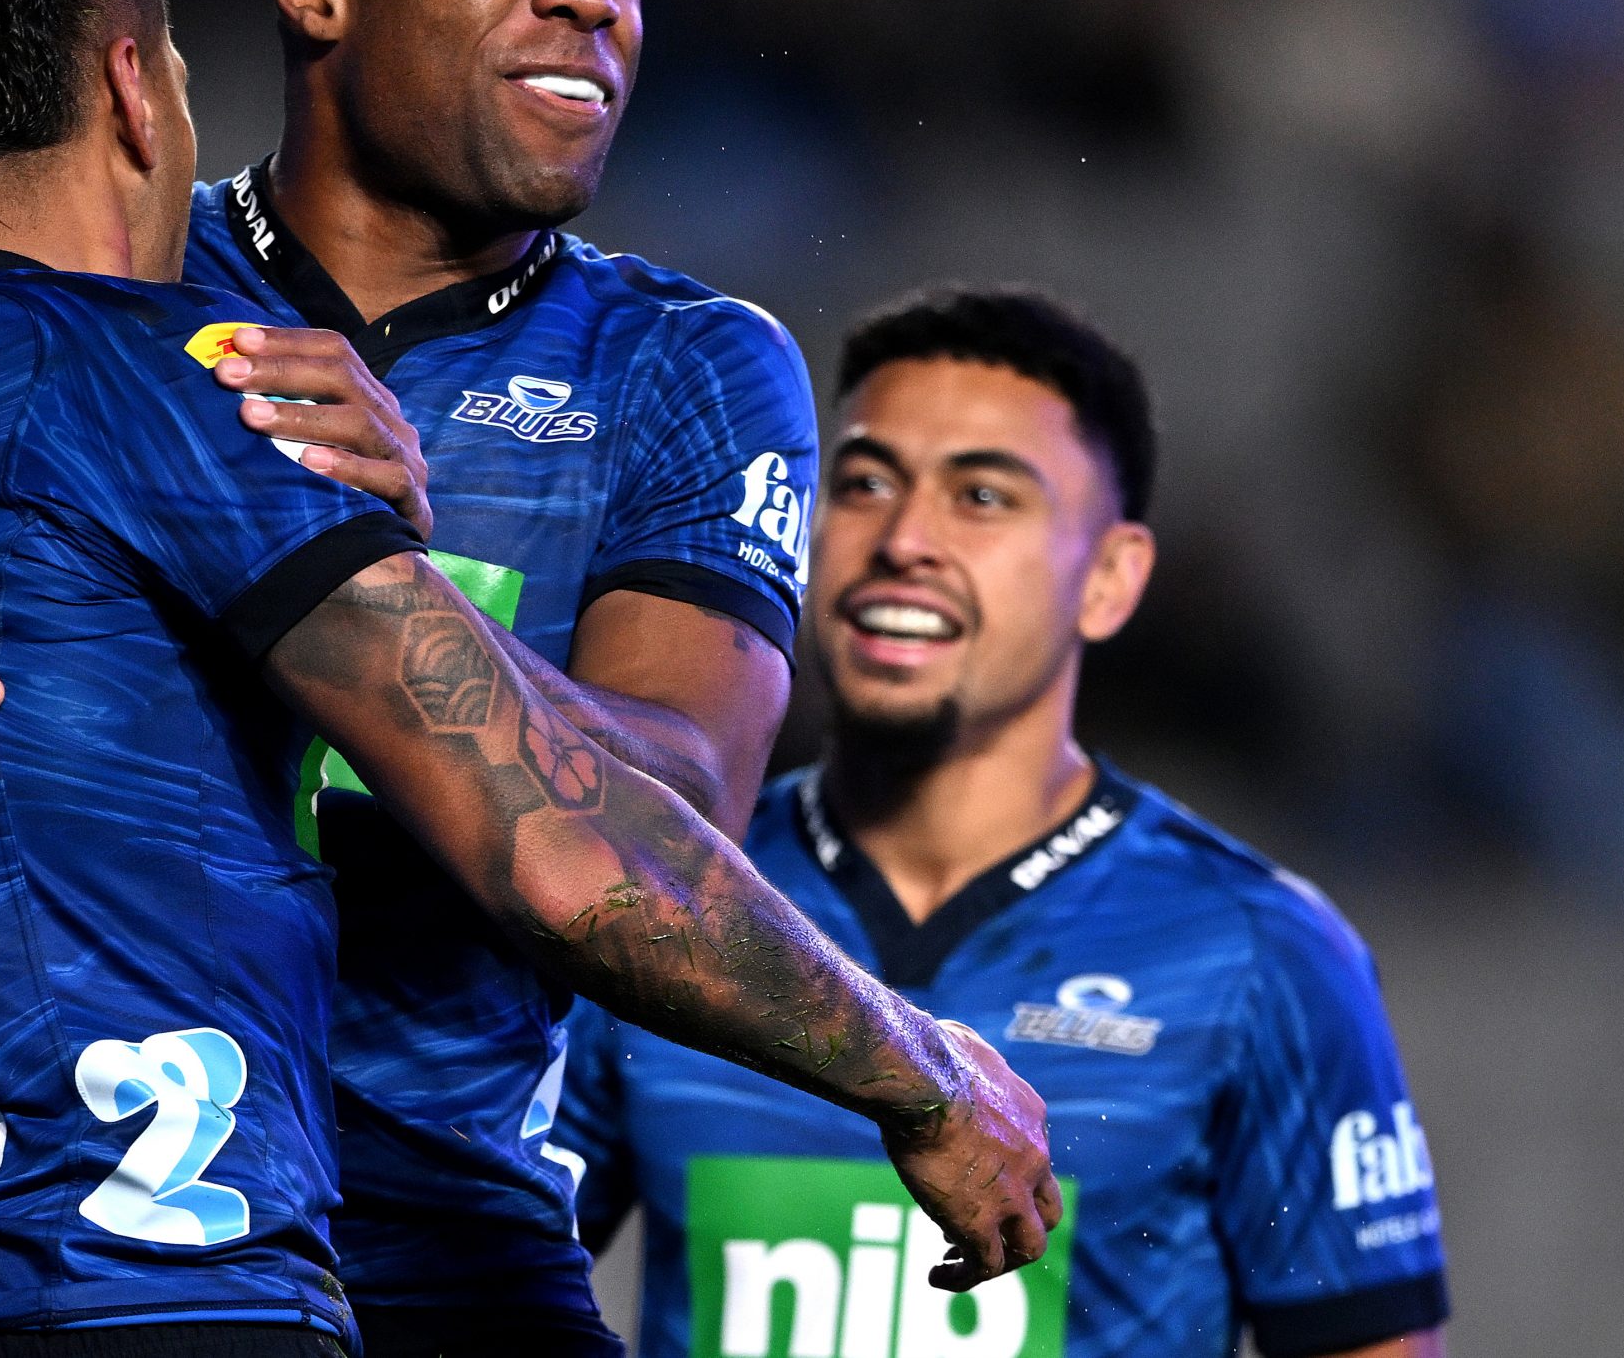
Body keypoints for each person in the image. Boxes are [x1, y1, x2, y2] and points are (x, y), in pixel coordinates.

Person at [0, 0, 1061, 1358]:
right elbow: (572, 850)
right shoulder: (114, 329)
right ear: (265, 13)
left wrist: (361, 575)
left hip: (358, 1238)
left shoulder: (681, 361)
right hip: (172, 1246)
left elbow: (680, 802)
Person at [553, 289, 1451, 1358]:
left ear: (1110, 580)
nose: (902, 539)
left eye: (981, 496)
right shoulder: (664, 895)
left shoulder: (1259, 957)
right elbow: (482, 1269)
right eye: (864, 484)